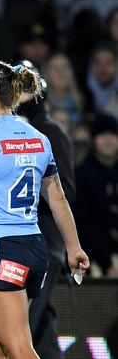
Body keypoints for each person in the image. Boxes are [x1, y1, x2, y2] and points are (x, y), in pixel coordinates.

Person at [0, 60, 90, 358]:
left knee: (19, 348)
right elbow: (58, 198)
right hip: (34, 249)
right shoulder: (39, 139)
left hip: (1, 249)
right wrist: (74, 247)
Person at [15, 60, 78, 358]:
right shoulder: (10, 131)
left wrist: (22, 199)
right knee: (39, 324)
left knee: (17, 326)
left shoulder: (52, 133)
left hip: (44, 243)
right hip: (21, 241)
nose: (21, 94)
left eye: (27, 87)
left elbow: (67, 189)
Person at [74, 114, 118, 276]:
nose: (108, 140)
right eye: (102, 134)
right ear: (93, 139)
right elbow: (83, 223)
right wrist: (106, 262)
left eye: (113, 134)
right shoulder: (82, 174)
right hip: (92, 258)